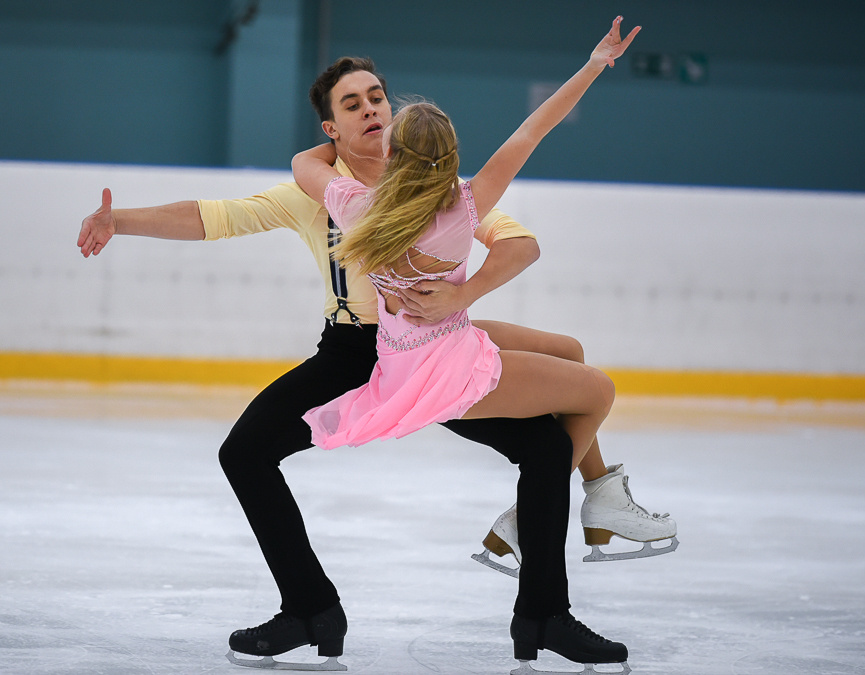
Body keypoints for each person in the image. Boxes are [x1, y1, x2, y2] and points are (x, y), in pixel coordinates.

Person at [75, 42, 664, 673]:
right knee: (244, 451)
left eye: (377, 97)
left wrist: (463, 292)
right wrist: (123, 221)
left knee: (548, 441)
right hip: (356, 354)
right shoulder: (327, 194)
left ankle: (546, 614)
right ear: (333, 128)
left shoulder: (438, 192)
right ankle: (310, 608)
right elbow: (216, 217)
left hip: (437, 343)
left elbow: (517, 242)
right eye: (351, 104)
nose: (370, 109)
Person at [292, 16, 651, 670]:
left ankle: (548, 544)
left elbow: (300, 167)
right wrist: (596, 62)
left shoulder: (353, 203)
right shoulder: (464, 203)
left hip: (405, 361)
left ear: (393, 152)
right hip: (453, 368)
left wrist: (334, 141)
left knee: (567, 350)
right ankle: (533, 512)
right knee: (599, 389)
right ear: (450, 156)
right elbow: (533, 128)